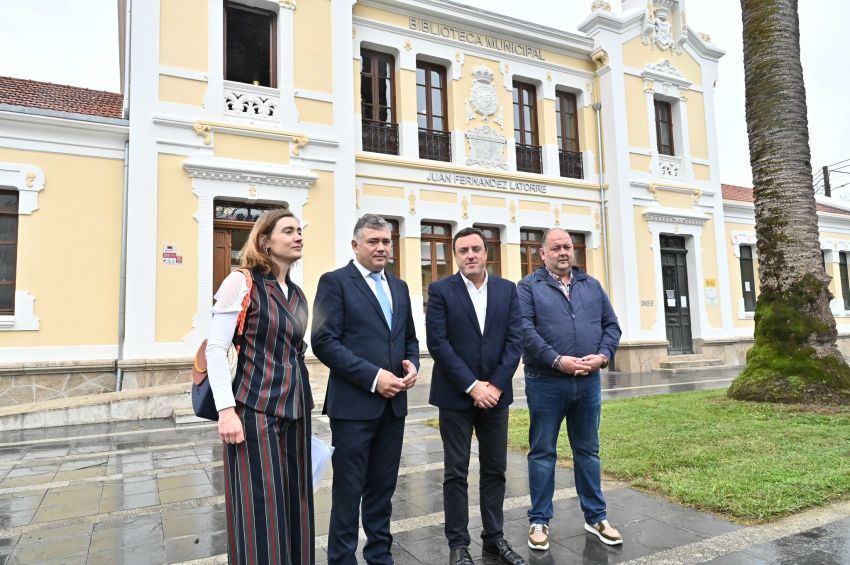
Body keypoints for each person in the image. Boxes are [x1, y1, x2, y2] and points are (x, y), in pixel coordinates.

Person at [205, 208, 314, 565]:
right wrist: (225, 410)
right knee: (260, 506)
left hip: (297, 410)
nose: (297, 236)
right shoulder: (241, 282)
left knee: (297, 501)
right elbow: (216, 349)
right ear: (265, 240)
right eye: (288, 231)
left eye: (299, 230)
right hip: (254, 409)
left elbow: (293, 352)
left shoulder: (297, 294)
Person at [311, 214, 419, 565]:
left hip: (394, 406)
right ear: (355, 245)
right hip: (354, 407)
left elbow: (409, 338)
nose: (381, 247)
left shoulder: (399, 286)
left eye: (386, 241)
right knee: (348, 491)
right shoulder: (335, 282)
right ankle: (342, 559)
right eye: (373, 241)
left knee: (383, 490)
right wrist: (374, 377)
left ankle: (379, 556)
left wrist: (412, 364)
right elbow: (323, 341)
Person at [517, 228, 623, 550]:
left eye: (568, 246)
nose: (563, 252)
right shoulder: (528, 287)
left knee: (588, 451)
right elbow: (525, 330)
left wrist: (603, 356)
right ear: (542, 254)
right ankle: (539, 520)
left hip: (587, 383)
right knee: (543, 452)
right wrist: (557, 360)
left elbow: (611, 326)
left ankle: (596, 517)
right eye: (556, 247)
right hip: (546, 382)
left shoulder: (591, 285)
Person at [426, 227, 526, 565]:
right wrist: (473, 385)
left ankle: (494, 538)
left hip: (496, 398)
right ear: (455, 256)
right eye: (463, 250)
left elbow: (515, 341)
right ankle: (458, 544)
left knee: (495, 469)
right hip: (456, 396)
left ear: (487, 253)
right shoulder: (441, 290)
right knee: (456, 471)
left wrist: (495, 386)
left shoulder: (507, 290)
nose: (470, 255)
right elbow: (438, 343)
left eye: (476, 249)